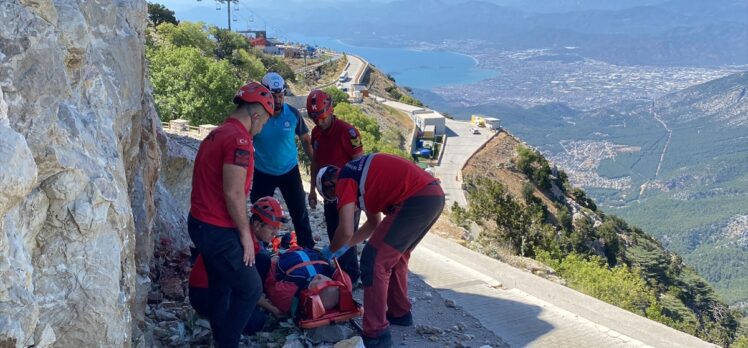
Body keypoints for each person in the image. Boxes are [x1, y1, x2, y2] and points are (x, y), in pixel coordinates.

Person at [317, 154, 445, 348]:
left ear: (329, 183)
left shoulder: (344, 180)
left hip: (415, 200)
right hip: (432, 197)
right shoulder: (357, 175)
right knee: (396, 256)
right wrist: (346, 246)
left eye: (334, 197)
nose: (339, 200)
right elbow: (373, 223)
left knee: (373, 260)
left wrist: (329, 252)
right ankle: (400, 312)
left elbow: (345, 230)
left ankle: (376, 333)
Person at [188, 81, 274, 348]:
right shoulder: (239, 140)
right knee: (250, 288)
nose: (261, 129)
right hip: (217, 229)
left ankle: (219, 337)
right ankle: (228, 343)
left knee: (220, 285)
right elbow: (234, 193)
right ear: (256, 114)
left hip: (199, 224)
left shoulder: (215, 134)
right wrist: (246, 236)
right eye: (263, 122)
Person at [188, 197, 289, 335]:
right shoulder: (239, 244)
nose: (275, 234)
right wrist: (271, 307)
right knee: (257, 321)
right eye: (272, 228)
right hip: (204, 292)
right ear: (258, 225)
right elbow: (244, 286)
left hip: (222, 284)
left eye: (277, 229)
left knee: (264, 260)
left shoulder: (249, 238)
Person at [251, 72, 315, 248]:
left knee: (299, 213)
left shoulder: (293, 114)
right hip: (263, 172)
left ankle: (307, 249)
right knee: (259, 213)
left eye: (280, 96)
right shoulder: (256, 117)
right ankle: (258, 249)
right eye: (273, 96)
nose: (278, 100)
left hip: (289, 171)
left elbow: (306, 141)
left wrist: (316, 165)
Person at [306, 89, 364, 283]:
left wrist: (357, 197)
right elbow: (316, 161)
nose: (319, 122)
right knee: (334, 233)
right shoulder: (316, 133)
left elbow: (360, 164)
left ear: (330, 110)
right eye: (314, 118)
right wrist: (313, 190)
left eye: (321, 117)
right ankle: (341, 271)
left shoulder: (347, 132)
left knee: (347, 235)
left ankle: (351, 276)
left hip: (349, 194)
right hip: (329, 193)